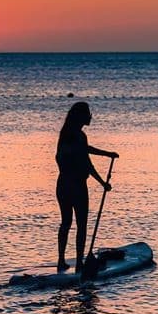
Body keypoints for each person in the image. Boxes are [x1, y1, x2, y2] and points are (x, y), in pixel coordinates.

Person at [55, 101, 118, 273]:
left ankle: (61, 261)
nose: (90, 116)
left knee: (66, 222)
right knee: (81, 225)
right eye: (88, 113)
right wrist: (102, 183)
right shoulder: (78, 136)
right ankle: (79, 265)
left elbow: (84, 151)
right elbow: (87, 162)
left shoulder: (66, 134)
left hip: (62, 185)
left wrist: (107, 154)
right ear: (81, 116)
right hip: (76, 186)